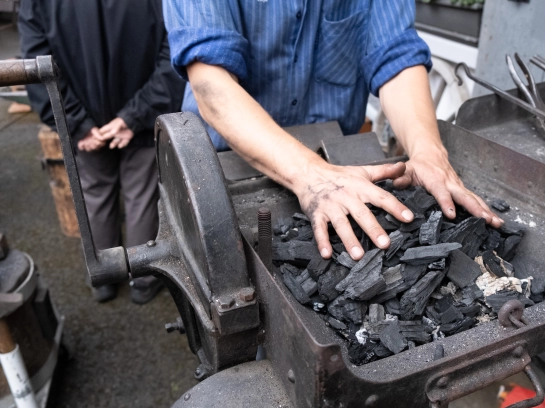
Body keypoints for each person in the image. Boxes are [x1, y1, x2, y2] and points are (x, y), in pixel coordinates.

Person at [164, 1, 503, 261]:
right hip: (226, 165)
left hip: (338, 164)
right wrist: (310, 174)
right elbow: (210, 82)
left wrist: (428, 151)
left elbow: (395, 56)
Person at [20, 0, 185, 303]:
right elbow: (172, 49)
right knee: (142, 195)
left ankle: (104, 278)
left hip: (87, 123)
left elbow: (35, 61)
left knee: (95, 193)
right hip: (141, 117)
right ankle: (143, 279)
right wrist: (134, 115)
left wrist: (77, 123)